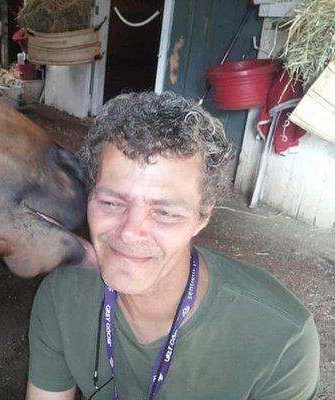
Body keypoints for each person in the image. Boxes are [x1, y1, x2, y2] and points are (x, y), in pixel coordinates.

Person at [26, 92, 320, 400]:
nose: (129, 232)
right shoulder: (63, 297)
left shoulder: (280, 340)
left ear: (202, 216)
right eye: (112, 202)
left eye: (164, 212)